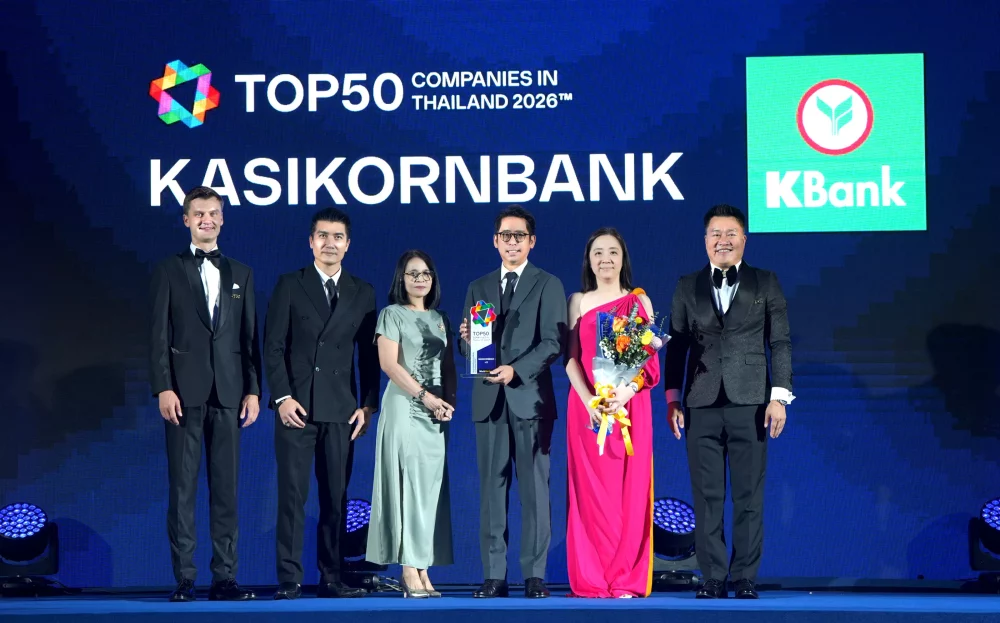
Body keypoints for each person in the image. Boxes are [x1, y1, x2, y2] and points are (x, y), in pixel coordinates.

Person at [664, 204, 793, 600]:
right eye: (715, 233)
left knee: (748, 495)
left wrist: (779, 397)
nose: (723, 240)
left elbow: (780, 342)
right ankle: (713, 577)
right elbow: (677, 346)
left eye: (731, 233)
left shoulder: (765, 281)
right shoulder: (687, 285)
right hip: (699, 402)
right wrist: (672, 398)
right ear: (705, 240)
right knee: (707, 496)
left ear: (744, 239)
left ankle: (744, 577)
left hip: (751, 403)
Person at [148, 185, 261, 602]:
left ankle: (225, 578)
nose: (206, 219)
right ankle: (185, 578)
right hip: (183, 394)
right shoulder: (168, 269)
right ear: (186, 220)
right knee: (183, 491)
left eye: (213, 213)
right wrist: (163, 386)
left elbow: (249, 339)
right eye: (198, 214)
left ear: (222, 219)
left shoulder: (242, 273)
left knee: (226, 490)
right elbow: (158, 336)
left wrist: (253, 390)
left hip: (229, 394)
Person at [264, 207, 379, 600]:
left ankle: (332, 577)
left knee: (336, 499)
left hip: (341, 409)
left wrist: (367, 405)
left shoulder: (362, 291)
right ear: (311, 242)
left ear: (348, 245)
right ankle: (289, 578)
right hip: (295, 408)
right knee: (292, 497)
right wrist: (282, 397)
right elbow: (273, 346)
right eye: (323, 236)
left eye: (338, 237)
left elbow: (369, 356)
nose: (330, 243)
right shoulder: (290, 284)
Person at [459, 205, 567, 599]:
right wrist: (467, 341)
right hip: (489, 399)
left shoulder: (547, 283)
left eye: (519, 235)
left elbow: (553, 342)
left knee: (535, 490)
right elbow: (470, 346)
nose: (512, 242)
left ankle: (535, 575)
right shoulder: (478, 286)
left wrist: (516, 370)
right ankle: (494, 575)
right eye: (505, 235)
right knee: (492, 490)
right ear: (495, 241)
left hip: (530, 398)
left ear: (531, 241)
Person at [564, 228, 659, 598]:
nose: (606, 259)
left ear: (623, 259)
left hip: (630, 408)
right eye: (598, 253)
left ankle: (625, 578)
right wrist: (590, 399)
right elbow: (571, 359)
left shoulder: (639, 301)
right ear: (589, 261)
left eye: (613, 252)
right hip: (587, 409)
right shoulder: (578, 301)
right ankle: (592, 577)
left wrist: (625, 392)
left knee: (629, 494)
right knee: (592, 496)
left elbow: (648, 363)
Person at [366, 250, 456, 598]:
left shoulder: (440, 318)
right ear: (401, 280)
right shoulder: (391, 314)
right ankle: (408, 569)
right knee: (408, 487)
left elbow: (448, 365)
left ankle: (423, 566)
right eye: (412, 273)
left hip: (435, 412)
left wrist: (445, 404)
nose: (420, 279)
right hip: (406, 406)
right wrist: (425, 397)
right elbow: (389, 365)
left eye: (426, 273)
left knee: (429, 490)